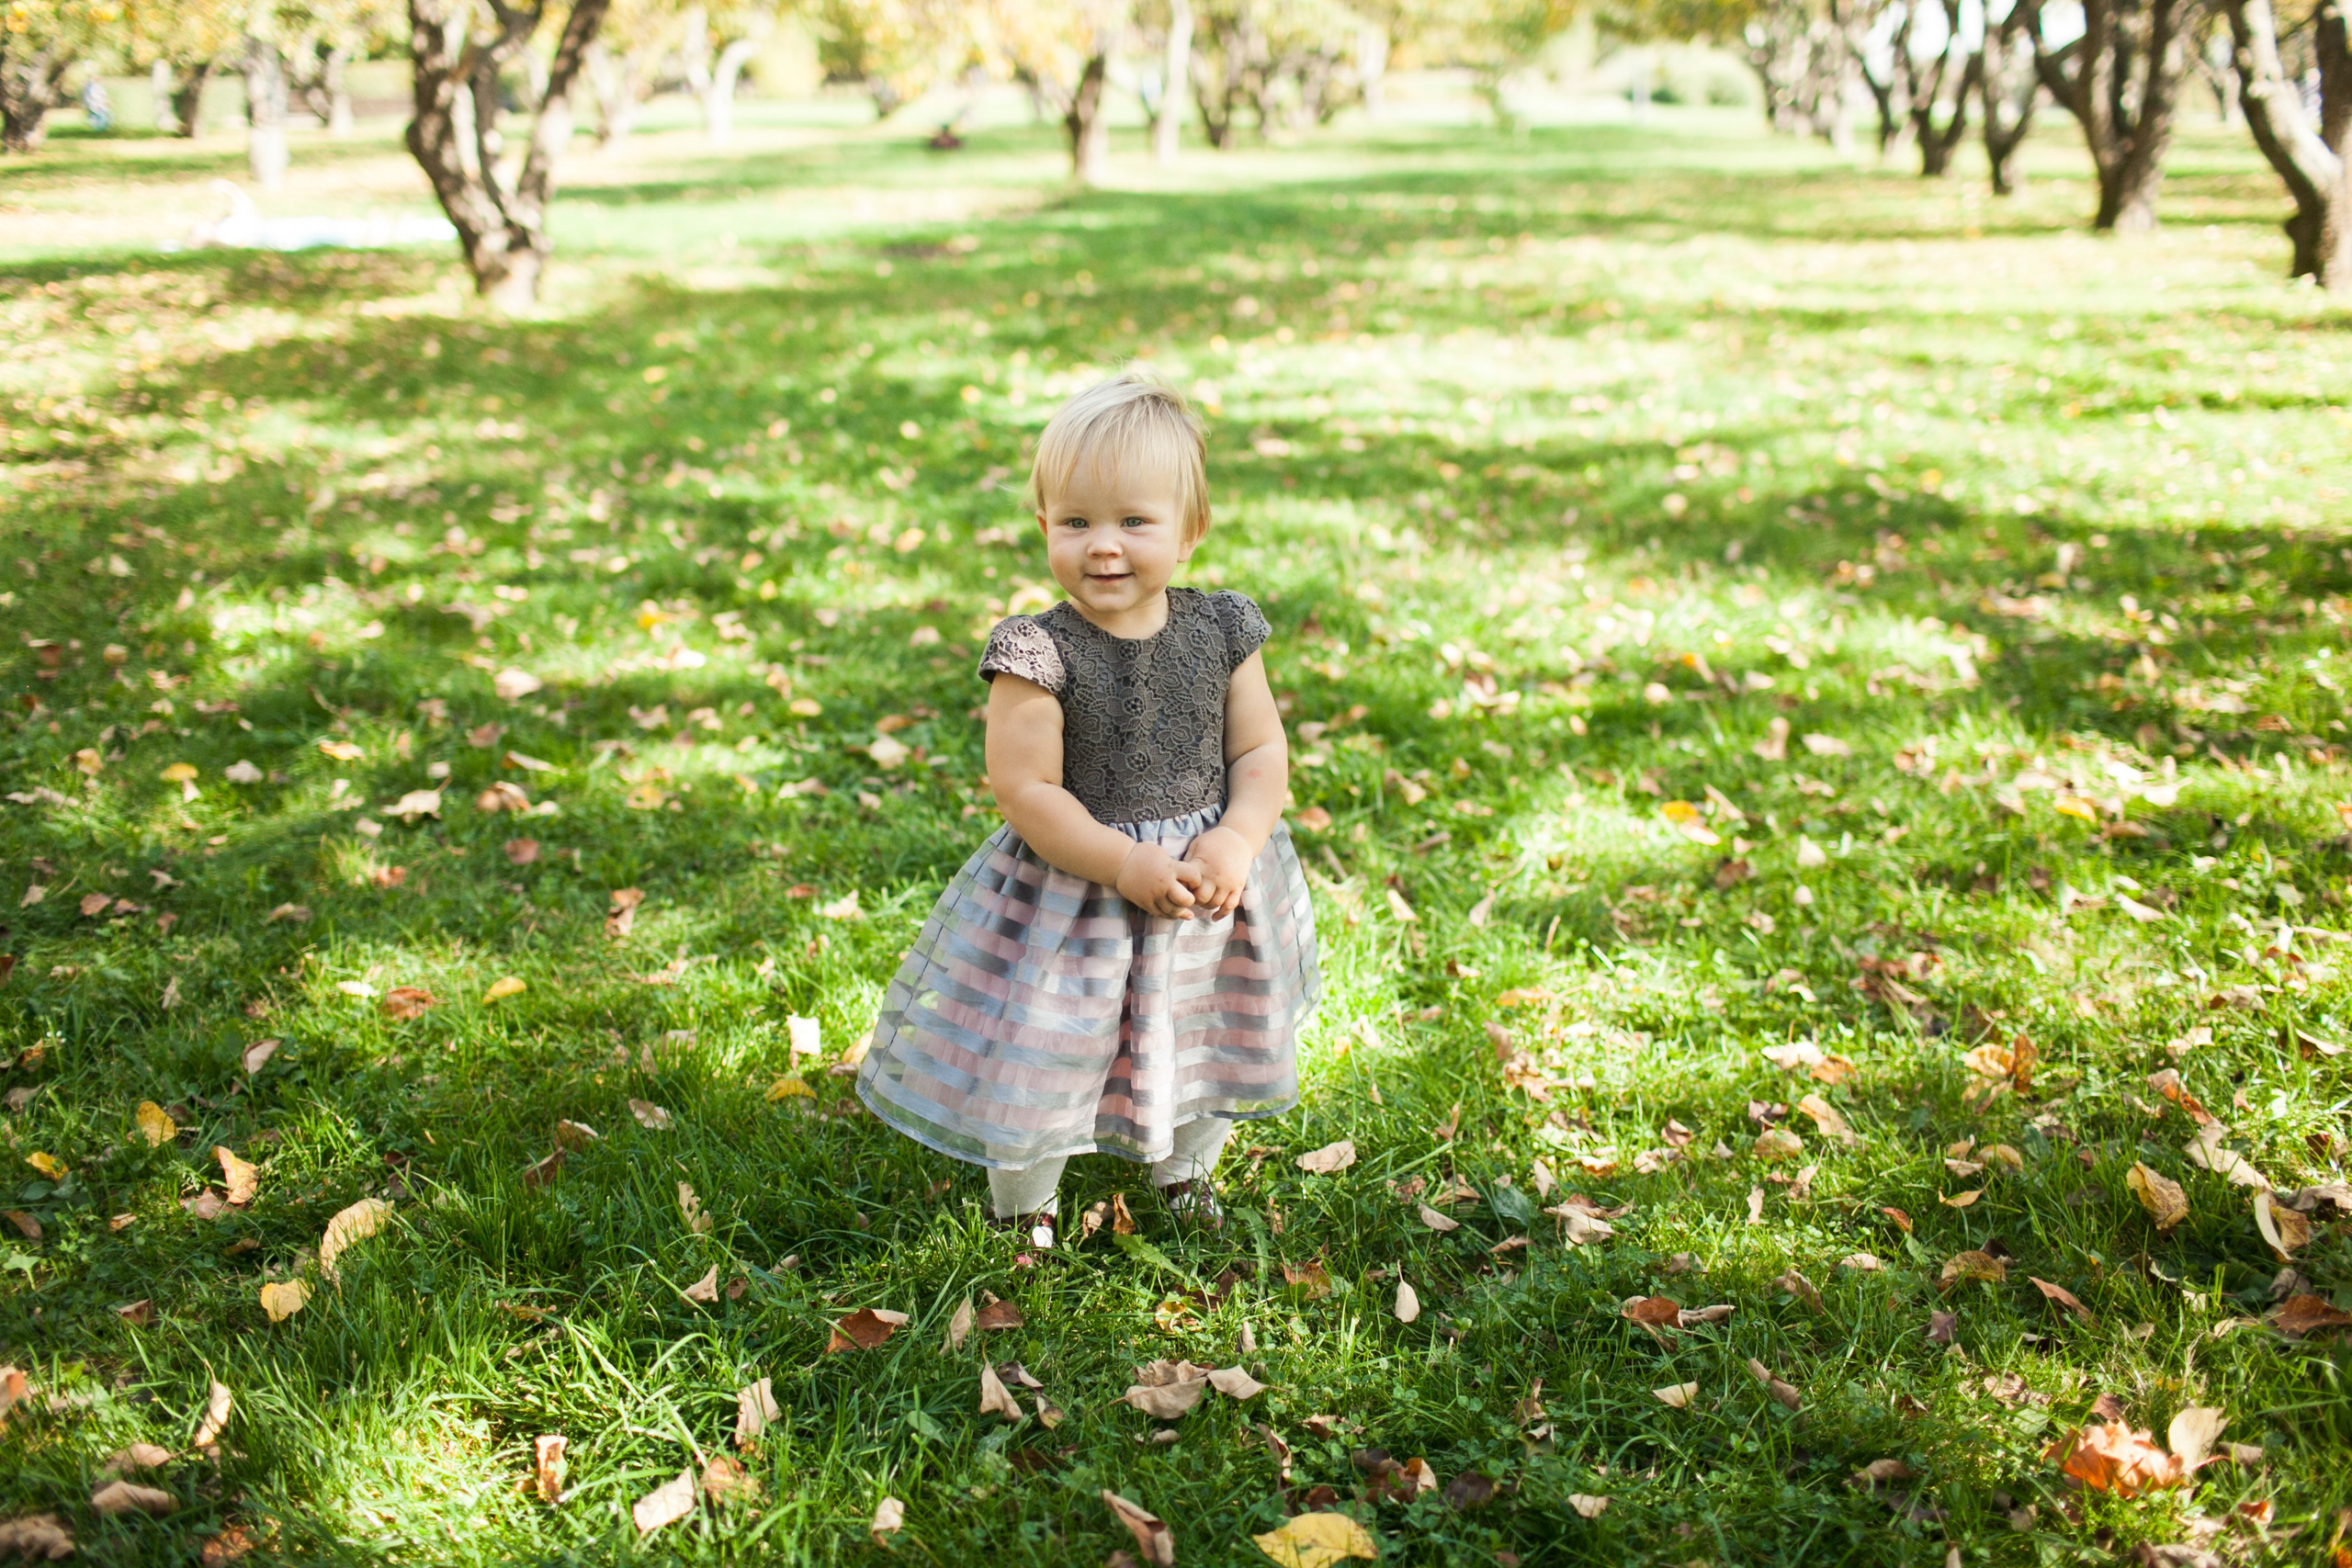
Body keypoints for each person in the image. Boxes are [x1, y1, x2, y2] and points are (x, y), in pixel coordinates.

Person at [856, 373, 1319, 1247]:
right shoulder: (1036, 652)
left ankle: (1184, 1171)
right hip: (1076, 892)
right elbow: (1027, 791)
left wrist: (1237, 836)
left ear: (1191, 530)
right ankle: (1024, 1202)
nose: (1103, 546)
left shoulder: (1224, 630)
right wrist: (1121, 863)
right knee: (1048, 1049)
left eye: (1133, 521)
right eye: (1075, 522)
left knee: (1208, 1026)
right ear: (1044, 529)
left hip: (1206, 884)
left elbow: (1259, 751)